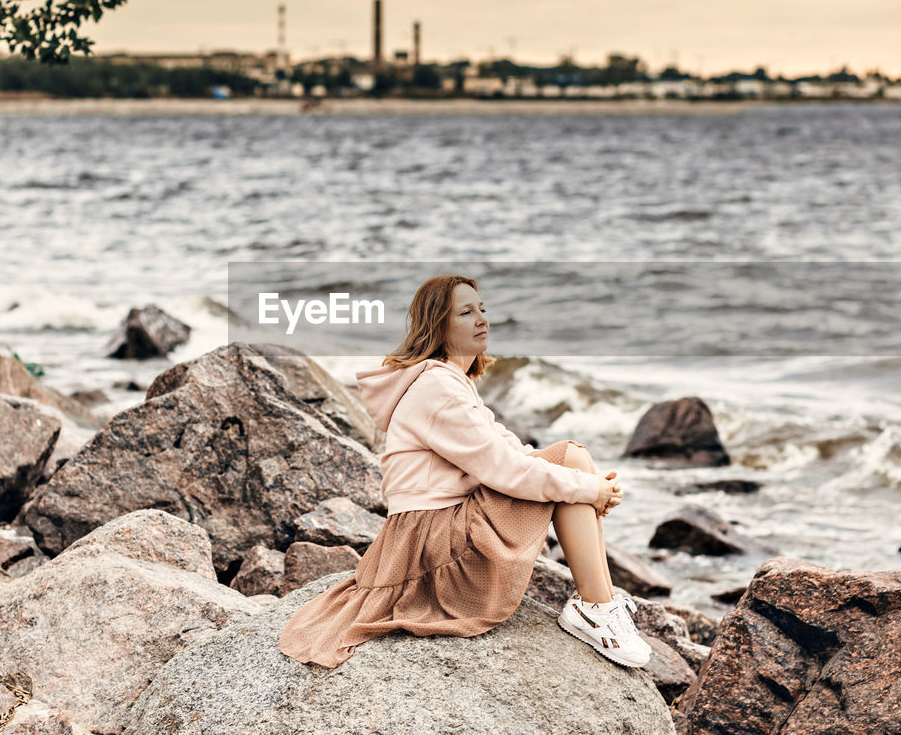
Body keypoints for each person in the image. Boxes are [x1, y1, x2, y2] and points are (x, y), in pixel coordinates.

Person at [278, 274, 652, 669]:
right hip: (431, 546)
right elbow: (506, 469)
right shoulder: (436, 388)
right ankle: (596, 607)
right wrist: (588, 490)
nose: (482, 320)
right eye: (466, 312)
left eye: (483, 309)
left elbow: (511, 449)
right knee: (569, 463)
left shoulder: (451, 383)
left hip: (435, 533)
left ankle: (600, 602)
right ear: (439, 324)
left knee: (571, 458)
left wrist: (589, 486)